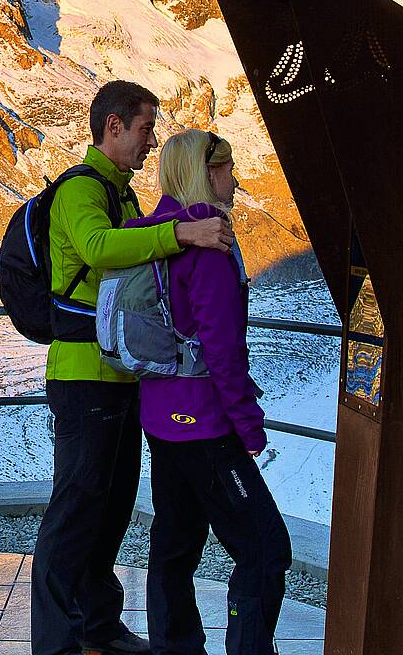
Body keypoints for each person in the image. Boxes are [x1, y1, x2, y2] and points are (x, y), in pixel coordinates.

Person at [32, 83, 235, 655]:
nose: (151, 142)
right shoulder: (80, 190)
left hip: (121, 374)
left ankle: (98, 625)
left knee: (112, 506)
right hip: (82, 374)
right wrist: (181, 233)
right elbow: (97, 249)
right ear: (113, 126)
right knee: (76, 506)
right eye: (146, 129)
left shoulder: (121, 195)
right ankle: (54, 642)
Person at [135, 129, 290, 655]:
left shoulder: (152, 232)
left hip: (159, 417)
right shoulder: (210, 245)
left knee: (175, 543)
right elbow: (223, 348)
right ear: (205, 173)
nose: (235, 178)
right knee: (264, 548)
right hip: (204, 423)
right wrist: (249, 426)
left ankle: (173, 647)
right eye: (225, 168)